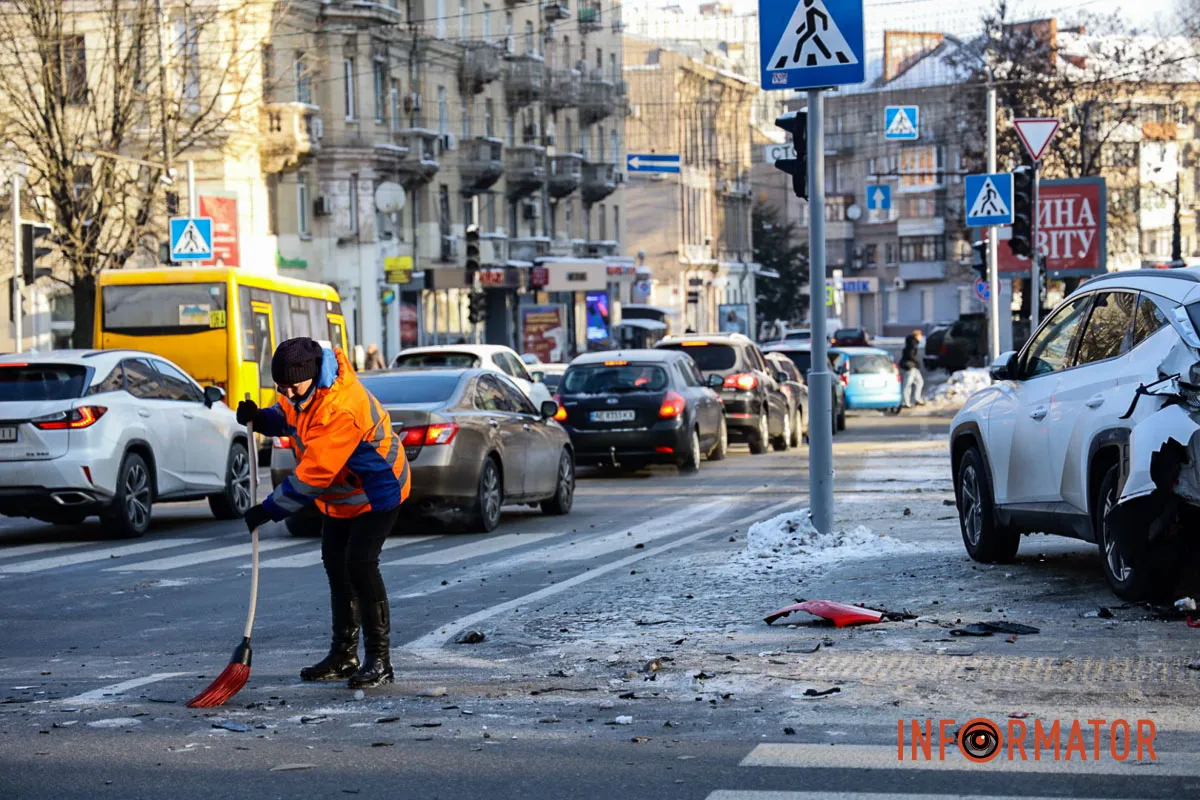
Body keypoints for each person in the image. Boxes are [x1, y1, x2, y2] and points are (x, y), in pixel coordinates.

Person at [239, 338, 411, 689]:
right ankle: (343, 655)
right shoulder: (304, 391)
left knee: (360, 565)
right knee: (335, 563)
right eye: (281, 387)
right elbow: (289, 417)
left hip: (376, 490)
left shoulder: (339, 407)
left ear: (313, 374)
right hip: (341, 496)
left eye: (292, 385)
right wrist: (260, 418)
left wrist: (268, 510)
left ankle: (380, 660)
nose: (287, 392)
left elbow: (311, 477)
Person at [900, 329, 926, 409]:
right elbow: (910, 355)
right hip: (910, 366)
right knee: (908, 384)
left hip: (913, 366)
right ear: (917, 336)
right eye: (920, 336)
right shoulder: (912, 344)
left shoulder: (913, 343)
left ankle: (917, 399)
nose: (921, 338)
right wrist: (916, 362)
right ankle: (905, 402)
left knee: (919, 382)